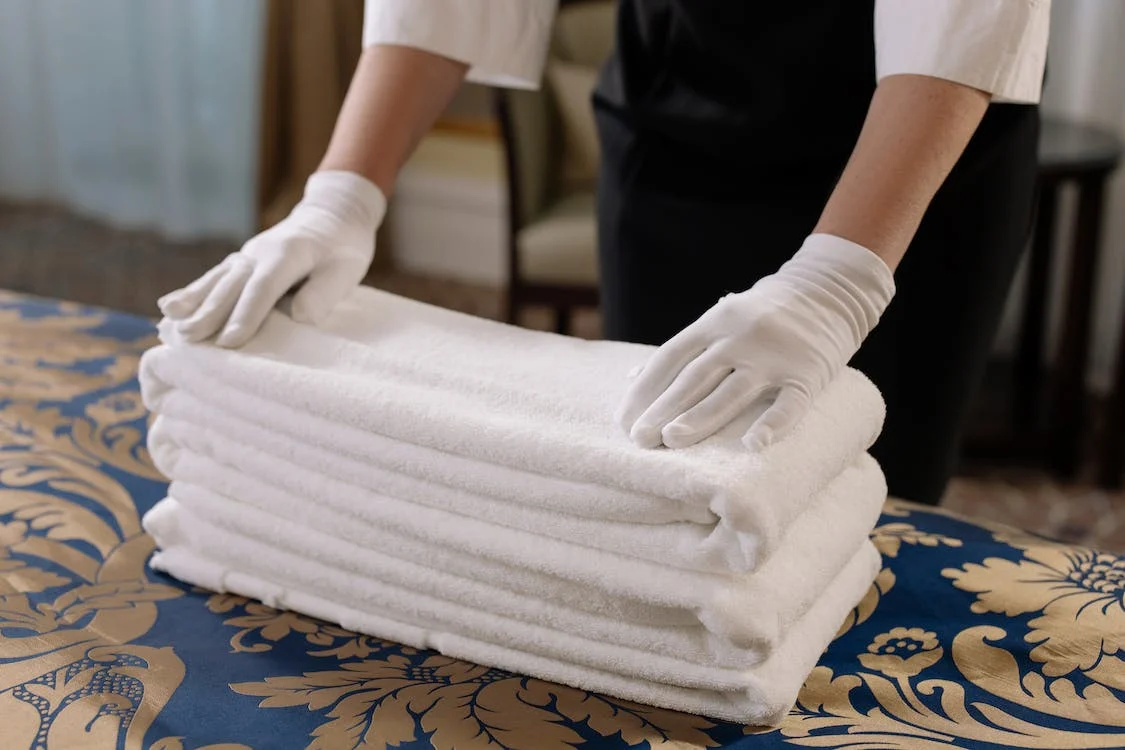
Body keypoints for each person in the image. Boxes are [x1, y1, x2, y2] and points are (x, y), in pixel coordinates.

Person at [158, 0, 1050, 506]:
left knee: (861, 508)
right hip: (678, 105)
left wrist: (837, 281)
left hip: (916, 138)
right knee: (656, 493)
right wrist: (341, 194)